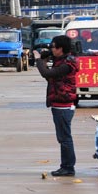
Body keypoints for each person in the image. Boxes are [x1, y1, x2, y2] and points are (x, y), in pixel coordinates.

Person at [33, 35, 80, 177]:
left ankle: (68, 167)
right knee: (63, 138)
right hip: (59, 104)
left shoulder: (67, 64)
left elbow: (46, 73)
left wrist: (38, 59)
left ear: (61, 48)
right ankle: (66, 166)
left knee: (65, 138)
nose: (51, 49)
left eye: (53, 46)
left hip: (63, 105)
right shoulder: (62, 61)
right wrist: (46, 58)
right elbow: (51, 77)